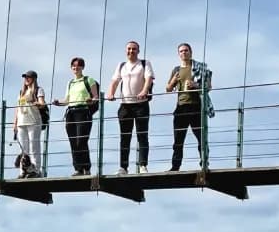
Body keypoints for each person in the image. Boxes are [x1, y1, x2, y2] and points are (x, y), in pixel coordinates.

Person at [105, 41, 154, 174]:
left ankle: (143, 165)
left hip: (141, 104)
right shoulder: (121, 66)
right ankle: (123, 167)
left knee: (142, 135)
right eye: (129, 49)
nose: (131, 51)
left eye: (134, 49)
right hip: (125, 105)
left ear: (138, 51)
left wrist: (144, 91)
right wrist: (110, 93)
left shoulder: (144, 63)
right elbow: (115, 81)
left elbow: (149, 78)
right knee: (125, 137)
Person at [165, 42, 214, 171]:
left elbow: (208, 87)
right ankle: (175, 166)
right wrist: (173, 81)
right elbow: (168, 89)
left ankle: (204, 164)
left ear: (190, 52)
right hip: (181, 107)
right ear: (178, 54)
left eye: (186, 50)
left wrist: (196, 85)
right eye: (181, 51)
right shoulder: (176, 70)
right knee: (178, 140)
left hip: (196, 106)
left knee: (201, 138)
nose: (183, 53)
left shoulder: (200, 67)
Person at [52, 57, 99, 176]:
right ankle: (78, 169)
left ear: (83, 67)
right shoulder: (70, 83)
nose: (75, 67)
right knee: (73, 141)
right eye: (73, 65)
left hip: (83, 111)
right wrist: (58, 102)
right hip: (71, 113)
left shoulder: (89, 80)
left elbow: (96, 97)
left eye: (78, 65)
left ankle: (86, 168)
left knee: (81, 140)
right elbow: (67, 100)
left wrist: (90, 100)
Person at [12, 71, 45, 178]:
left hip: (33, 121)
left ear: (34, 78)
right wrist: (15, 123)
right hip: (22, 122)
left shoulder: (38, 90)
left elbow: (42, 103)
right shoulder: (21, 92)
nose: (26, 79)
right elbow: (17, 108)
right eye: (25, 77)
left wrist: (38, 104)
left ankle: (36, 170)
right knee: (23, 149)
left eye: (29, 77)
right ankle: (23, 171)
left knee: (34, 147)